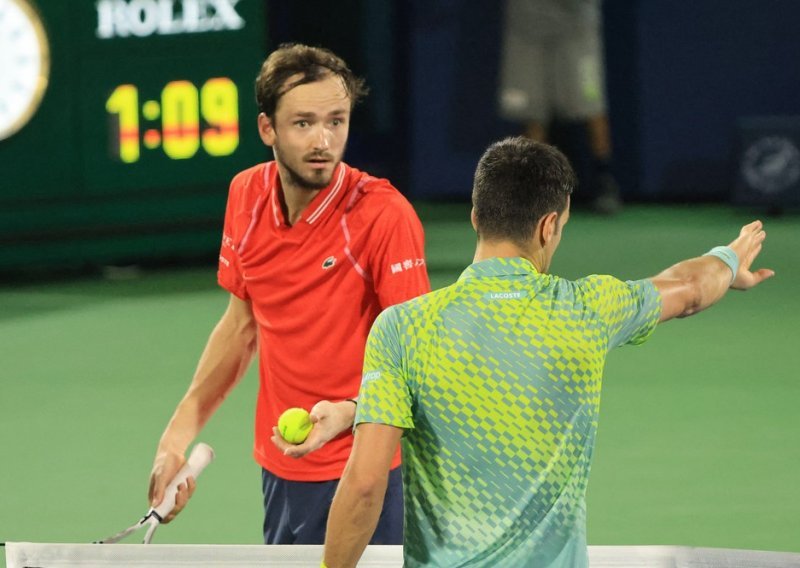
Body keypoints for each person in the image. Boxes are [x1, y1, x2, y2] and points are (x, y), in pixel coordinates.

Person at [322, 137, 773, 567]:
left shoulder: (402, 328)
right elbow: (691, 288)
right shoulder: (590, 309)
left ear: (476, 216)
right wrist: (729, 260)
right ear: (549, 225)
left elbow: (364, 486)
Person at [146, 43, 431, 545]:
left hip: (368, 470)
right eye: (303, 123)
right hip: (284, 470)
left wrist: (349, 411)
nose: (324, 140)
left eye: (336, 121)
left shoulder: (383, 216)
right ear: (267, 129)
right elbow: (240, 327)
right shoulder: (245, 196)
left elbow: (420, 363)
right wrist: (176, 438)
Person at [498, 0, 622, 214]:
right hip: (528, 21)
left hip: (576, 20)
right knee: (533, 112)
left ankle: (604, 181)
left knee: (590, 103)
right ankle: (535, 188)